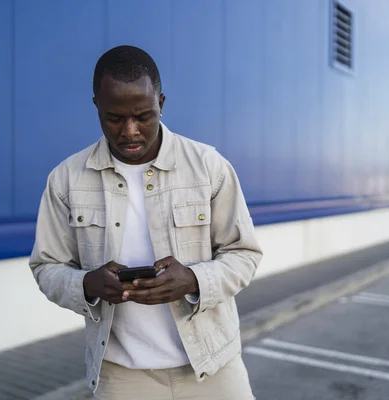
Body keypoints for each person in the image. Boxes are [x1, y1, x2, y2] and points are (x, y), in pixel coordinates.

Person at [29, 45, 262, 400]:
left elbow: (244, 253)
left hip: (213, 367)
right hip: (122, 378)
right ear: (96, 107)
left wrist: (193, 279)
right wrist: (88, 285)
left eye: (143, 115)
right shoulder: (66, 180)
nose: (130, 131)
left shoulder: (208, 166)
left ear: (162, 104)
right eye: (114, 118)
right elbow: (47, 267)